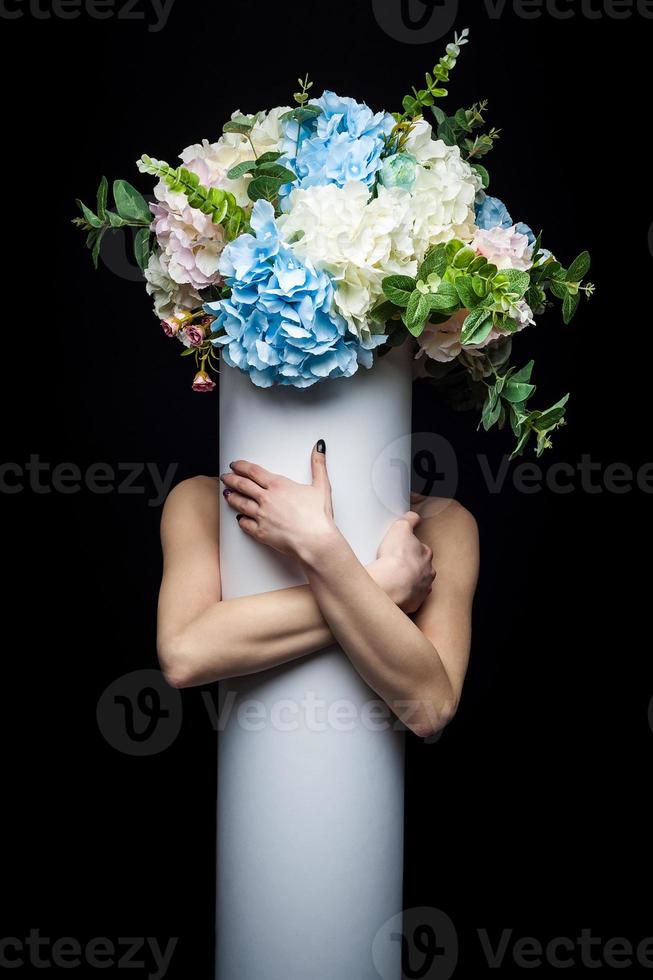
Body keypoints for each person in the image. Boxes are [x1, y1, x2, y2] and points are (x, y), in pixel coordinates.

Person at [156, 440, 479, 738]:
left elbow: (430, 709)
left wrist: (321, 547)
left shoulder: (443, 522)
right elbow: (183, 657)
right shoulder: (201, 499)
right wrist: (385, 583)